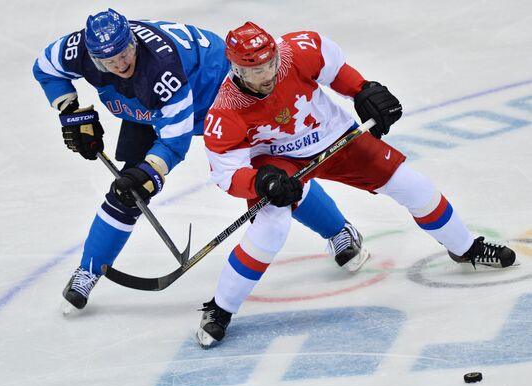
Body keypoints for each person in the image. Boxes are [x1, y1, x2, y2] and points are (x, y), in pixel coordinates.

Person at [199, 21, 518, 348]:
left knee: (415, 186)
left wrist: (365, 90)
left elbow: (336, 70)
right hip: (279, 164)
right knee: (271, 230)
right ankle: (220, 309)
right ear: (237, 70)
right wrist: (260, 182)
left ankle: (465, 249)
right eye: (256, 72)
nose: (267, 75)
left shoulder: (299, 51)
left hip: (338, 138)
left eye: (271, 64)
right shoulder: (226, 112)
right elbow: (228, 175)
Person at [33, 10, 369, 312]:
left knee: (271, 177)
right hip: (147, 103)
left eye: (125, 53)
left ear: (134, 41)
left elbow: (174, 142)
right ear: (91, 56)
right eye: (109, 61)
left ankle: (339, 230)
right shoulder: (77, 51)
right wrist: (70, 111)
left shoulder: (163, 71)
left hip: (220, 96)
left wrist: (150, 172)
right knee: (126, 192)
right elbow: (45, 68)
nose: (120, 64)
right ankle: (89, 270)